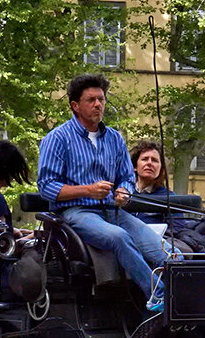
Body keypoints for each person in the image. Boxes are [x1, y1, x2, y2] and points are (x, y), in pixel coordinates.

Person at [36, 74, 168, 311]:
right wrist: (87, 190)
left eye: (101, 99)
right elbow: (46, 186)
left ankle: (185, 289)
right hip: (75, 212)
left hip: (112, 210)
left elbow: (127, 177)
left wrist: (124, 192)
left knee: (161, 249)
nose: (98, 104)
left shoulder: (115, 139)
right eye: (91, 100)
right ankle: (157, 294)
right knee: (118, 238)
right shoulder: (56, 138)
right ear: (75, 106)